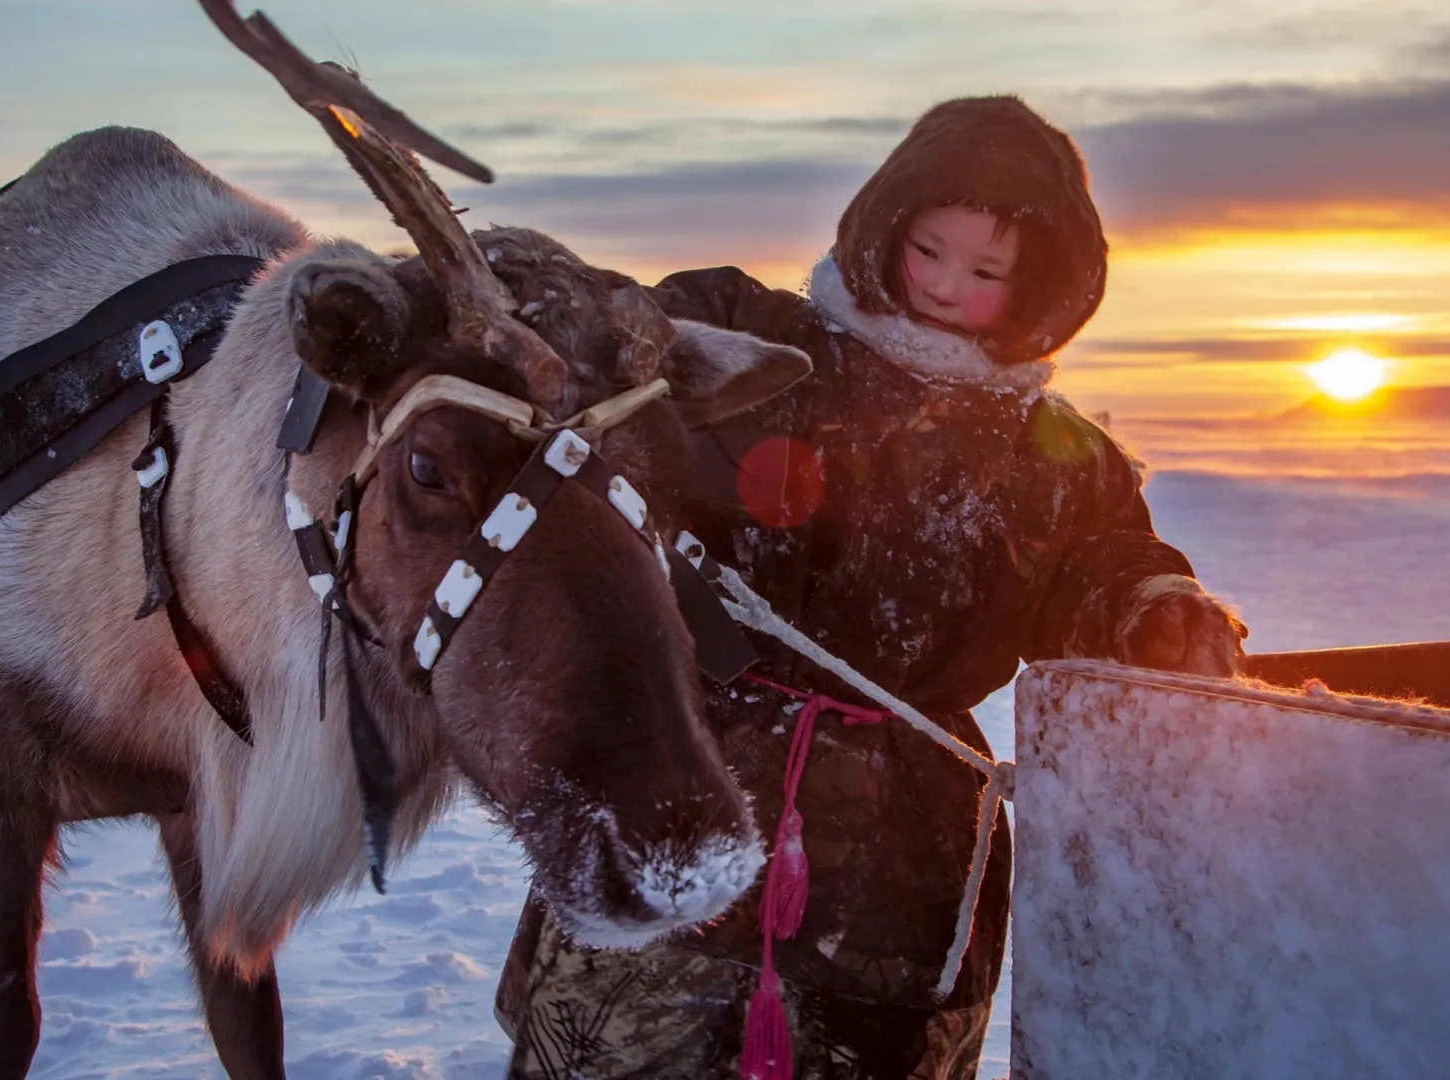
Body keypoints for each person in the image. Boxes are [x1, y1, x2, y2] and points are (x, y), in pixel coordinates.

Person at [495, 96, 1246, 1079]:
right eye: (929, 250)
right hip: (684, 789)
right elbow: (614, 358)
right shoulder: (753, 337)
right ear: (884, 229)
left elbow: (1102, 566)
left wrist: (1158, 611)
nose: (944, 286)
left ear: (1039, 289)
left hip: (905, 867)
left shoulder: (1057, 456)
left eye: (985, 273)